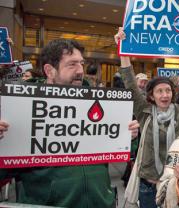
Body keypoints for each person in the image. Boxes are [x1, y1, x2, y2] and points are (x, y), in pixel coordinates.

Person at [0, 38, 140, 207]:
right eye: (72, 64)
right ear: (49, 70)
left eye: (82, 63)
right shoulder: (22, 108)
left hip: (101, 202)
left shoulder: (101, 102)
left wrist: (129, 136)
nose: (81, 70)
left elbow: (121, 151)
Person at [115, 27, 179, 208]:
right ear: (151, 95)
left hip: (176, 186)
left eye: (168, 90)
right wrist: (123, 48)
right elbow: (130, 83)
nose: (165, 95)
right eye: (159, 91)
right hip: (148, 187)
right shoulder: (143, 111)